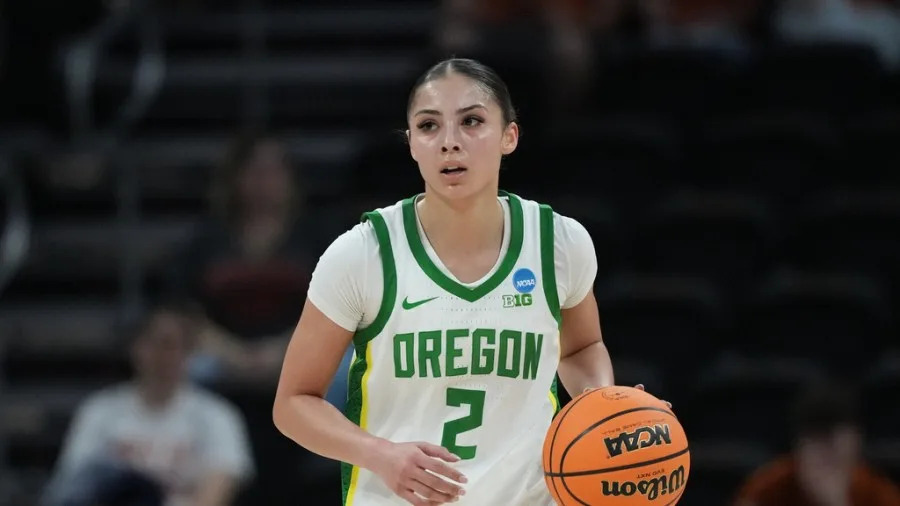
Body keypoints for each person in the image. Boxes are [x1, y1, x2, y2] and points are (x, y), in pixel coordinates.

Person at [273, 57, 635, 506]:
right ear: (410, 145)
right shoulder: (362, 254)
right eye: (428, 126)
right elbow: (292, 403)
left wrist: (604, 404)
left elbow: (581, 349)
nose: (449, 143)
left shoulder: (559, 242)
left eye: (472, 122)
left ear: (510, 136)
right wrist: (381, 455)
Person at [43, 303, 255, 506]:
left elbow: (217, 493)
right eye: (153, 343)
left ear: (189, 352)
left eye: (172, 345)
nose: (162, 355)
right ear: (135, 348)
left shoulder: (217, 416)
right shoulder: (99, 411)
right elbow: (75, 486)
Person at [732, 380, 900, 506]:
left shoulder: (877, 493)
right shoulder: (769, 485)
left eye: (831, 444)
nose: (824, 456)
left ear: (855, 443)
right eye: (815, 444)